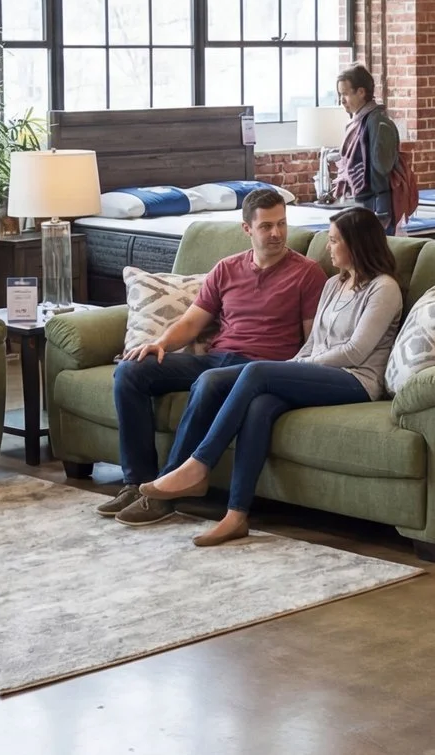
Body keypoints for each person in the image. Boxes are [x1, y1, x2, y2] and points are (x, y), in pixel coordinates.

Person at [131, 208, 405, 546]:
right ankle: (236, 515)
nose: (328, 248)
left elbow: (355, 352)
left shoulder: (384, 289)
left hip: (357, 381)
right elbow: (313, 342)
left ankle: (198, 465)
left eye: (334, 241)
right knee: (260, 404)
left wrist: (299, 367)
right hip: (321, 371)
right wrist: (296, 365)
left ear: (357, 245)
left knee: (256, 371)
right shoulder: (335, 283)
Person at [101, 188, 327, 522]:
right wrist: (160, 343)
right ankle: (138, 482)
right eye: (266, 226)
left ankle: (168, 491)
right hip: (218, 357)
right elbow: (192, 322)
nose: (276, 233)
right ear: (247, 229)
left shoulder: (307, 273)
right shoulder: (226, 269)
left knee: (209, 382)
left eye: (281, 224)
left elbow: (312, 340)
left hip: (260, 369)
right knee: (131, 372)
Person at [332, 65, 401, 226]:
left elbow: (382, 166)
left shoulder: (378, 123)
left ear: (361, 92)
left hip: (378, 206)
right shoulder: (357, 123)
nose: (341, 100)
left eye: (345, 94)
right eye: (340, 94)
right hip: (361, 203)